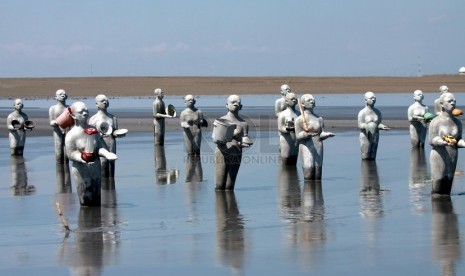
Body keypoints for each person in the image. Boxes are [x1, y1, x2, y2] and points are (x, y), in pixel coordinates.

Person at [65, 101, 117, 206]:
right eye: (81, 112)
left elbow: (99, 146)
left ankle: (96, 221)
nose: (85, 114)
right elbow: (70, 154)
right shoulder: (71, 135)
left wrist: (106, 154)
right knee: (86, 201)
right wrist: (81, 157)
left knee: (97, 199)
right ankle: (86, 221)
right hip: (81, 170)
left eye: (86, 111)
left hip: (95, 167)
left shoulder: (93, 130)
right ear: (73, 115)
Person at [429, 92, 465, 196]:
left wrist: (463, 143)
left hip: (452, 155)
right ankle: (437, 208)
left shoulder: (457, 122)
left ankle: (447, 208)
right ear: (441, 104)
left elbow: (458, 140)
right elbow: (432, 140)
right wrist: (443, 142)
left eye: (454, 101)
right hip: (439, 155)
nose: (452, 103)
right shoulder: (435, 122)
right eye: (449, 101)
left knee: (448, 184)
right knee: (438, 184)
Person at [213, 95, 251, 191]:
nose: (236, 104)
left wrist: (244, 143)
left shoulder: (243, 123)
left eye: (238, 102)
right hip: (222, 152)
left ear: (241, 106)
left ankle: (231, 204)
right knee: (219, 185)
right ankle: (220, 204)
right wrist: (232, 134)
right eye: (233, 102)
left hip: (236, 153)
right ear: (227, 105)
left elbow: (243, 140)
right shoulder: (221, 120)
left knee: (230, 186)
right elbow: (215, 139)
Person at [295, 94, 335, 180]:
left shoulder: (319, 118)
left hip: (318, 146)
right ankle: (308, 192)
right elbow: (298, 136)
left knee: (318, 173)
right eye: (309, 100)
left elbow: (321, 134)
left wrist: (326, 135)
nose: (312, 101)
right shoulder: (299, 119)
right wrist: (306, 134)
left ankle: (318, 192)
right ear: (302, 104)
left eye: (313, 100)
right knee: (309, 172)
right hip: (306, 146)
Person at [89, 94, 126, 178]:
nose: (105, 102)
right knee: (103, 165)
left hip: (111, 144)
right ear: (96, 104)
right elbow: (90, 136)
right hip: (100, 146)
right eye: (102, 101)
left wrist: (117, 133)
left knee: (111, 167)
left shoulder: (113, 118)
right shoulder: (93, 119)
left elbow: (114, 132)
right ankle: (103, 189)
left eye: (106, 100)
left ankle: (111, 189)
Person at [357, 91, 390, 160]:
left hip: (375, 135)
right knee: (365, 156)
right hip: (365, 136)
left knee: (373, 156)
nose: (373, 99)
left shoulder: (377, 112)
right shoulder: (362, 112)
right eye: (371, 98)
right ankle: (365, 169)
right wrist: (368, 126)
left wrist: (382, 126)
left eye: (374, 98)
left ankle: (373, 170)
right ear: (365, 100)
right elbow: (360, 125)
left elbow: (378, 123)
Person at [277, 92, 299, 165]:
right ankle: (284, 175)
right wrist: (288, 129)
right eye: (292, 99)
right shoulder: (282, 114)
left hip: (296, 140)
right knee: (286, 161)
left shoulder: (299, 114)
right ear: (286, 101)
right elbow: (280, 127)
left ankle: (294, 176)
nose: (294, 100)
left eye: (295, 99)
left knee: (294, 160)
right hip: (286, 139)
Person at [49, 89, 70, 163]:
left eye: (64, 94)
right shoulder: (53, 108)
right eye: (60, 94)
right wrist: (54, 123)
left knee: (66, 149)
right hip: (57, 131)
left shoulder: (69, 108)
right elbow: (51, 121)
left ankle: (66, 167)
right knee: (58, 149)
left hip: (67, 130)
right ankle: (59, 167)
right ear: (56, 97)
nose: (63, 95)